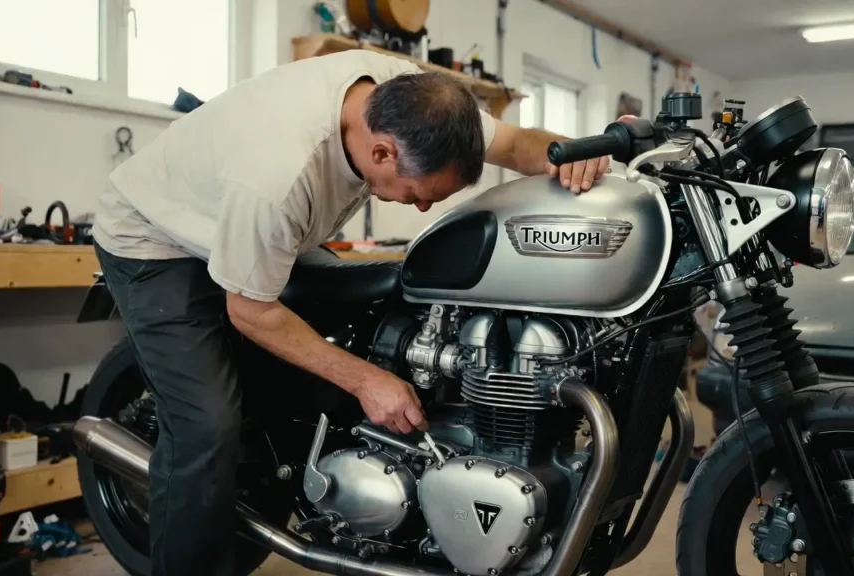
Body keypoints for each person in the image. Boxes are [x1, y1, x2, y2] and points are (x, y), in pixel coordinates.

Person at [91, 49, 611, 576]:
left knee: (378, 309)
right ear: (383, 153)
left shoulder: (418, 104)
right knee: (206, 427)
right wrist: (367, 381)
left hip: (253, 230)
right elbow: (250, 310)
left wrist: (575, 154)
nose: (423, 207)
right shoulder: (277, 175)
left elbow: (519, 144)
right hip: (154, 239)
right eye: (416, 195)